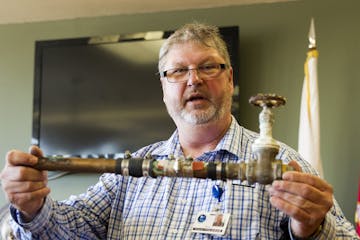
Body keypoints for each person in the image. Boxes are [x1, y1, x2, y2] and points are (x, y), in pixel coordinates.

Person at [0, 22, 358, 239]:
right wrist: (33, 207)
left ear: (230, 79)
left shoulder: (288, 167)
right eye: (177, 71)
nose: (194, 80)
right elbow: (71, 229)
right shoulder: (130, 169)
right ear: (164, 87)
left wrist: (312, 230)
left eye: (208, 67)